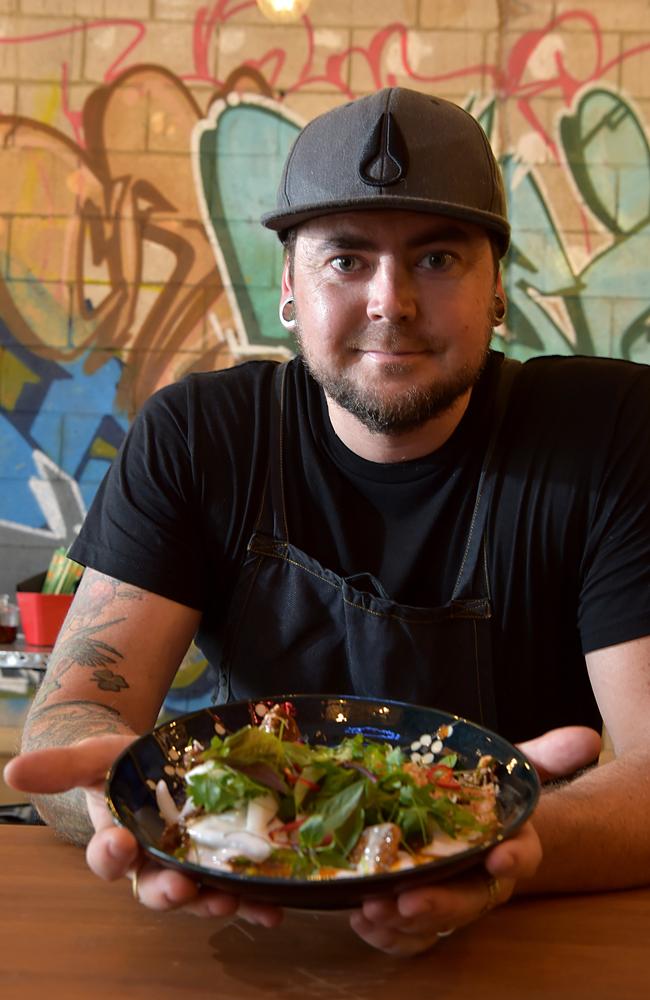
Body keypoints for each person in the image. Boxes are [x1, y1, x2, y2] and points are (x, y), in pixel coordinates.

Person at [4, 88, 650, 957]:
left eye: (438, 259)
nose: (391, 302)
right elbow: (75, 714)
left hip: (521, 947)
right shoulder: (200, 437)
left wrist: (483, 845)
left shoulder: (609, 435)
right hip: (246, 935)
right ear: (287, 290)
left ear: (498, 287)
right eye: (346, 259)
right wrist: (146, 806)